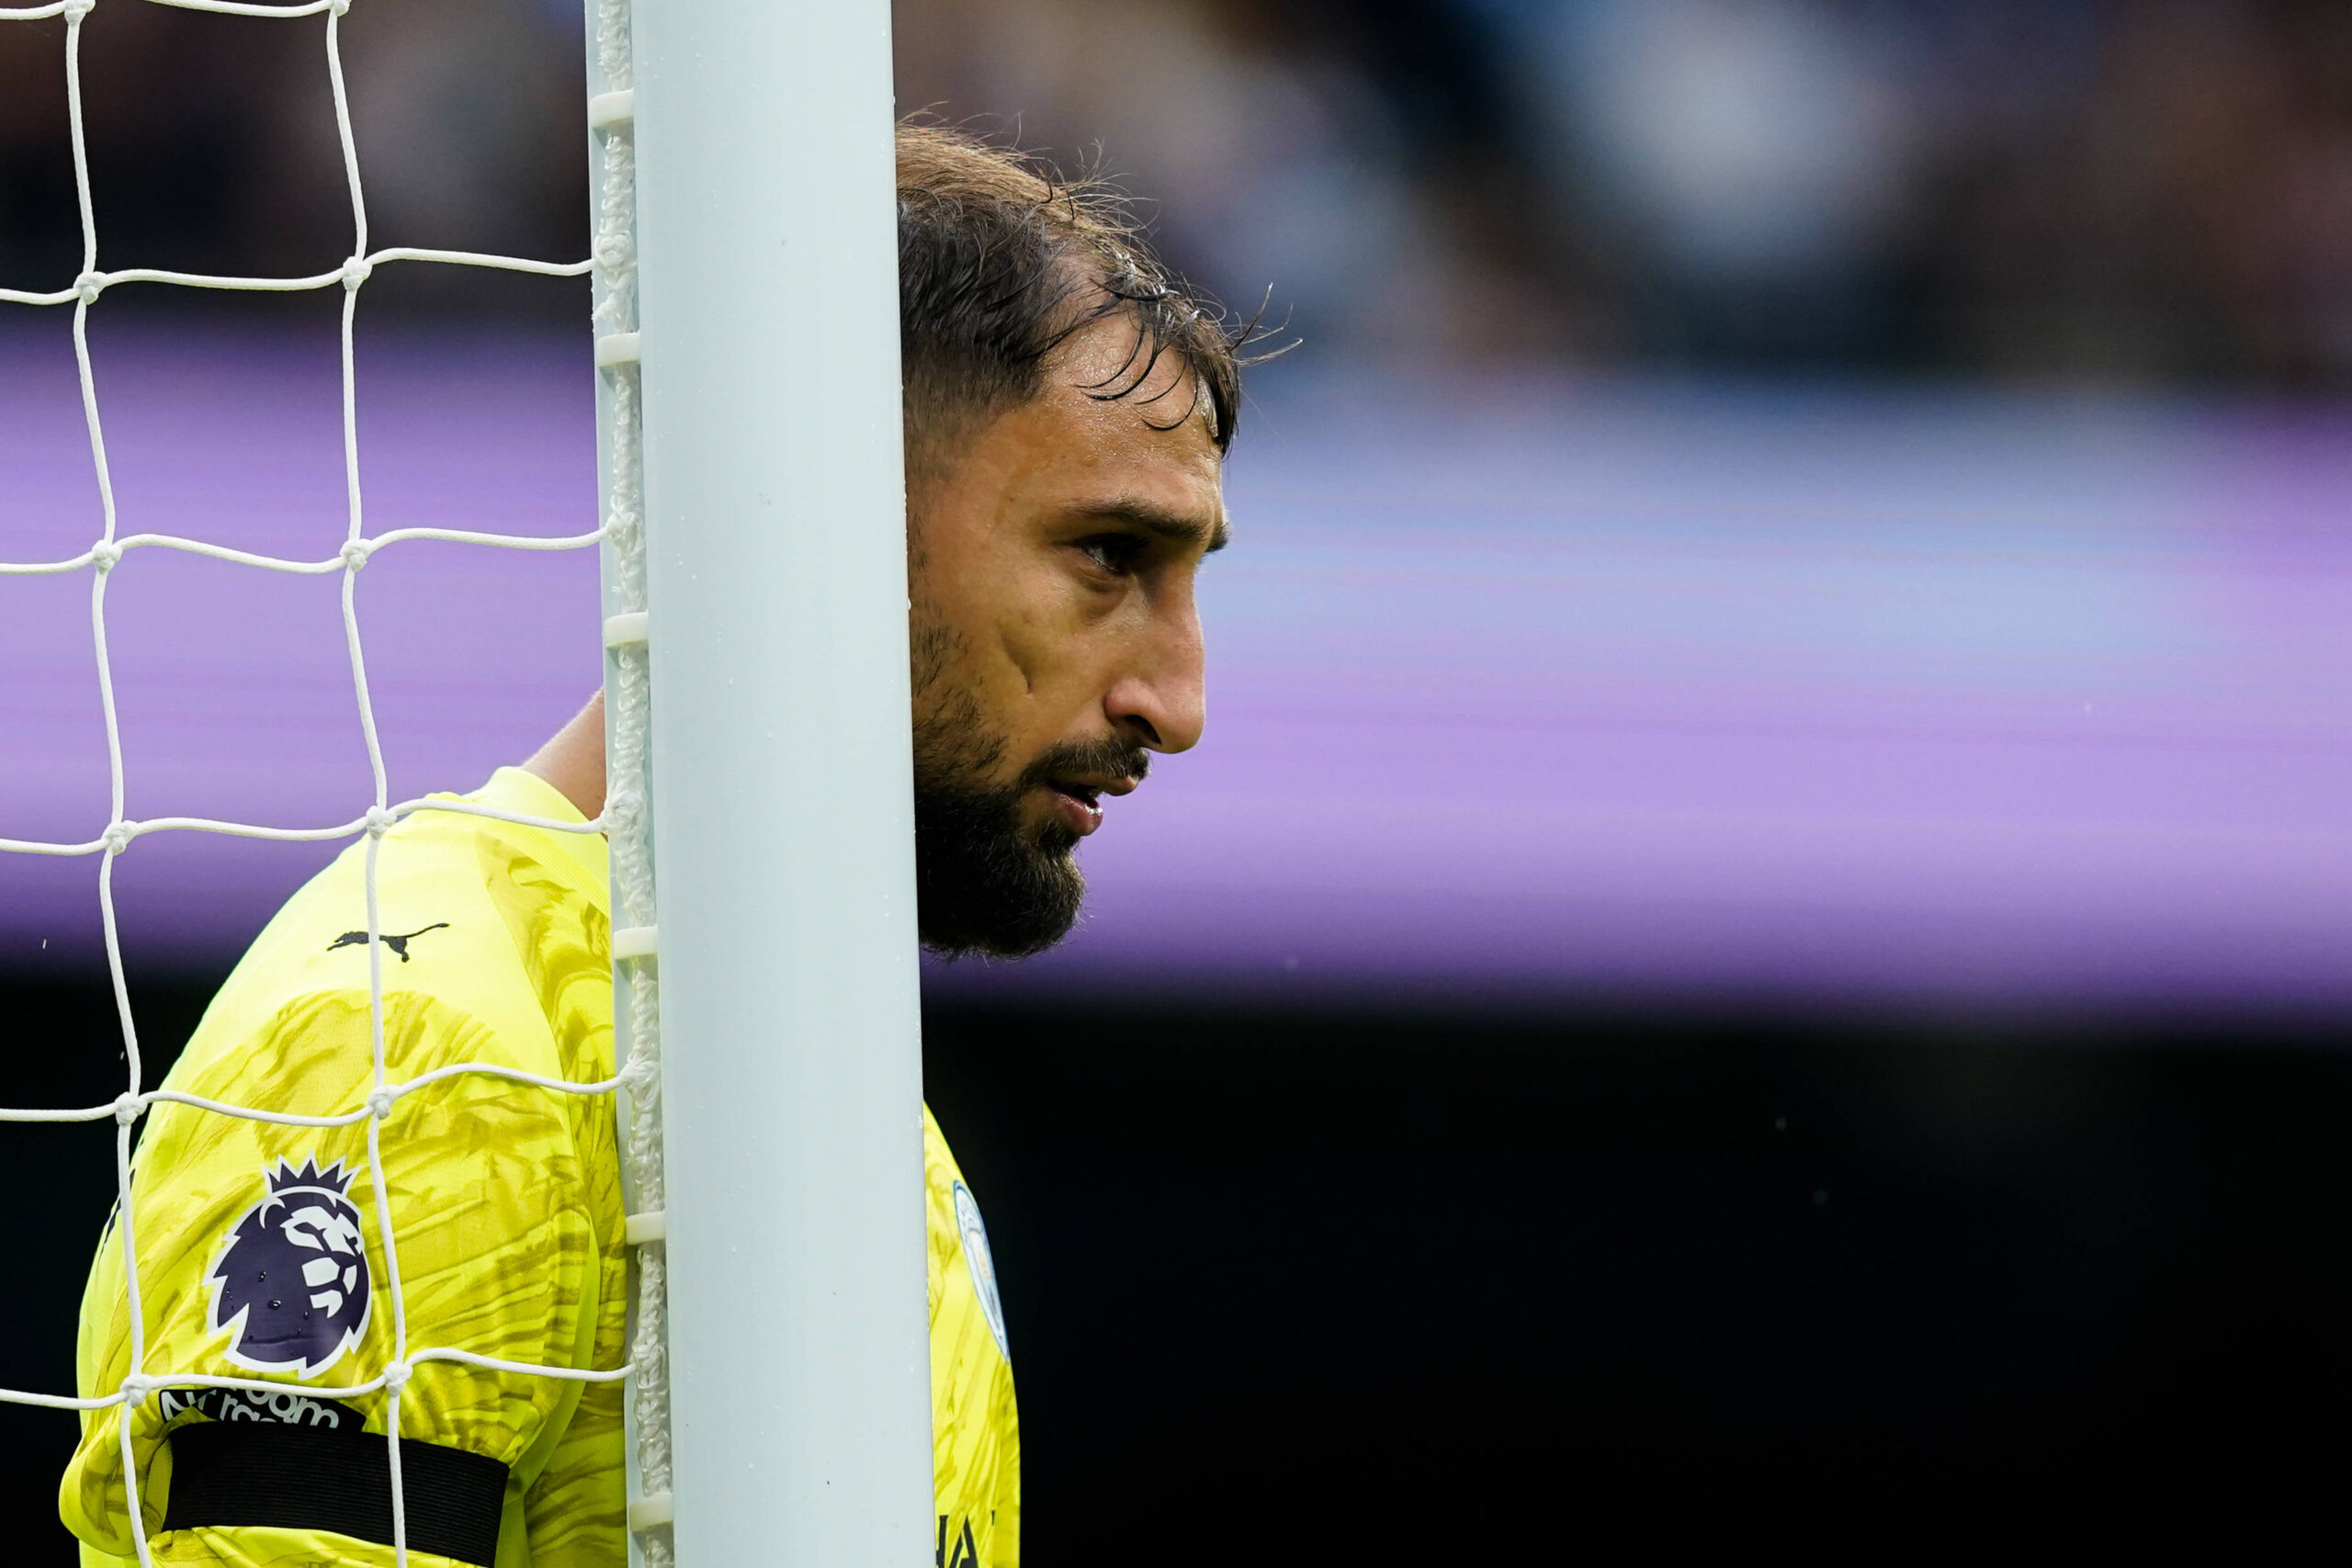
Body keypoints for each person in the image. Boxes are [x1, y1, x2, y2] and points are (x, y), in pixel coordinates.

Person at [61, 123, 1249, 1568]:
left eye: (1187, 577)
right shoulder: (428, 1047)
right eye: (1109, 558)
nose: (1175, 703)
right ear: (819, 519)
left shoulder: (865, 1128)